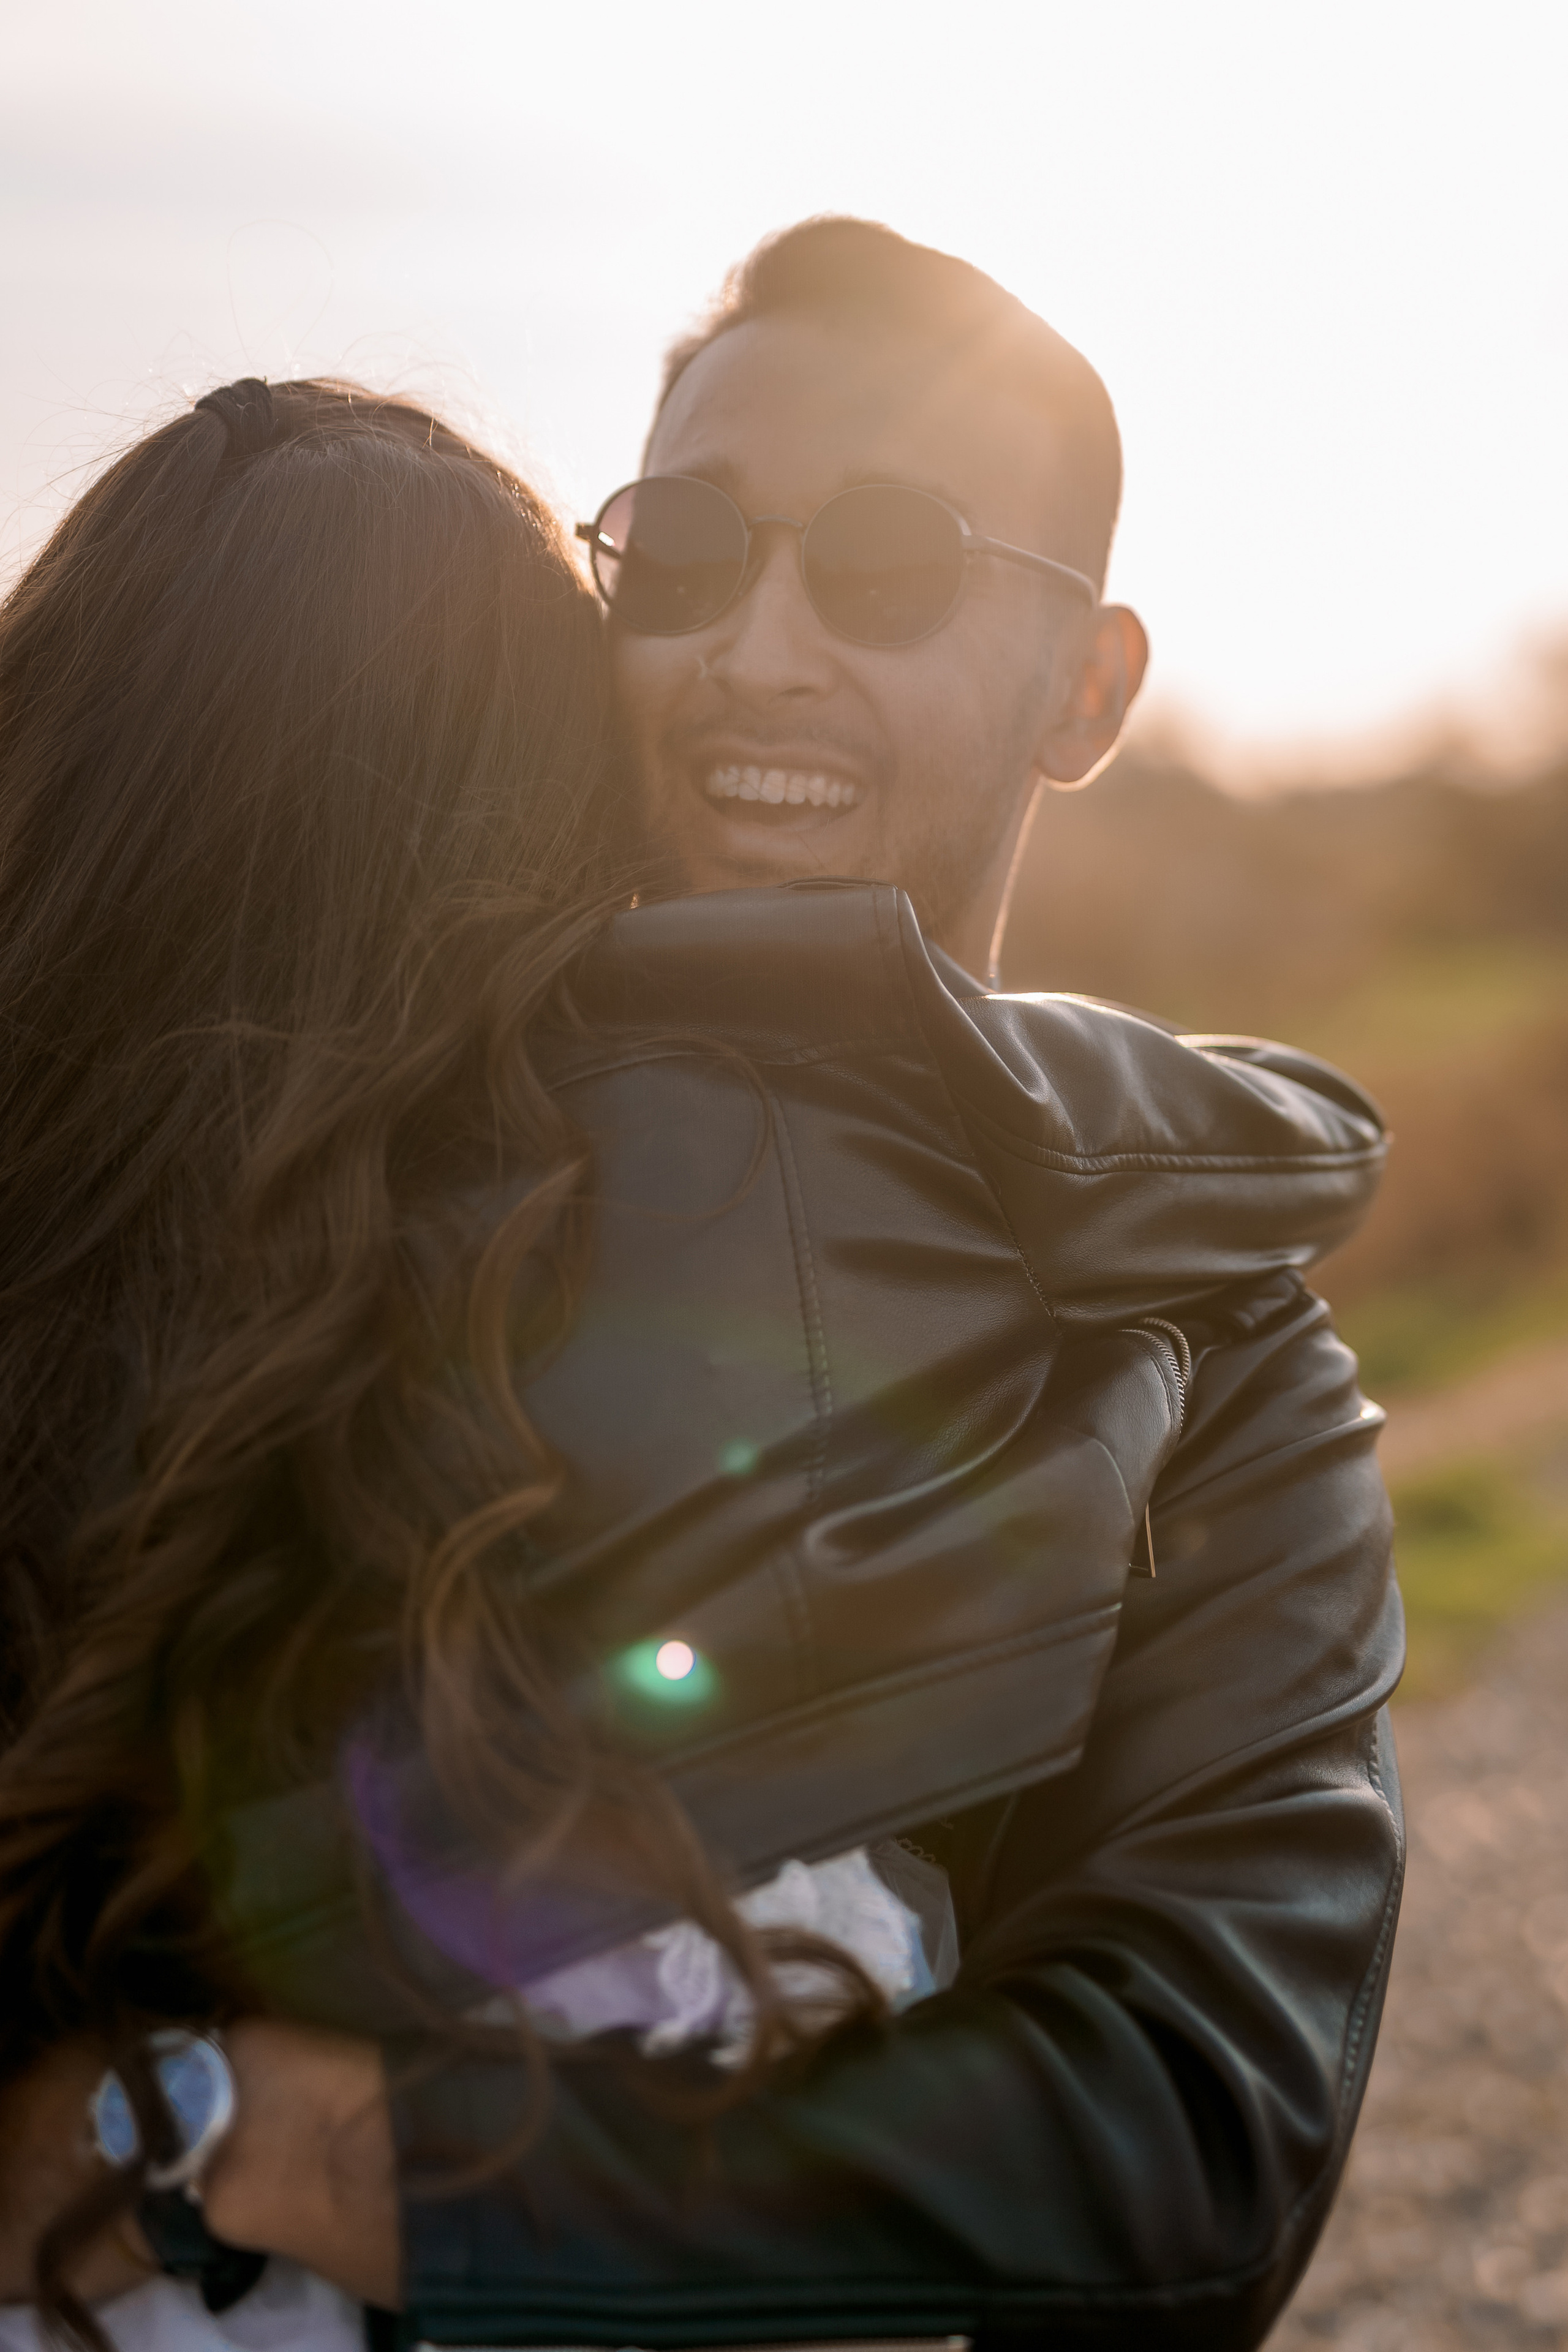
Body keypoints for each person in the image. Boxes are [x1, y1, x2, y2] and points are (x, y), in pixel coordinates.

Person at [0, 228, 1401, 2352]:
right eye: (686, 551)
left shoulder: (1209, 1340)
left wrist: (259, 2140)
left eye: (888, 566)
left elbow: (1188, 2130)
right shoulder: (296, 1148)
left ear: (1089, 691)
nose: (759, 648)